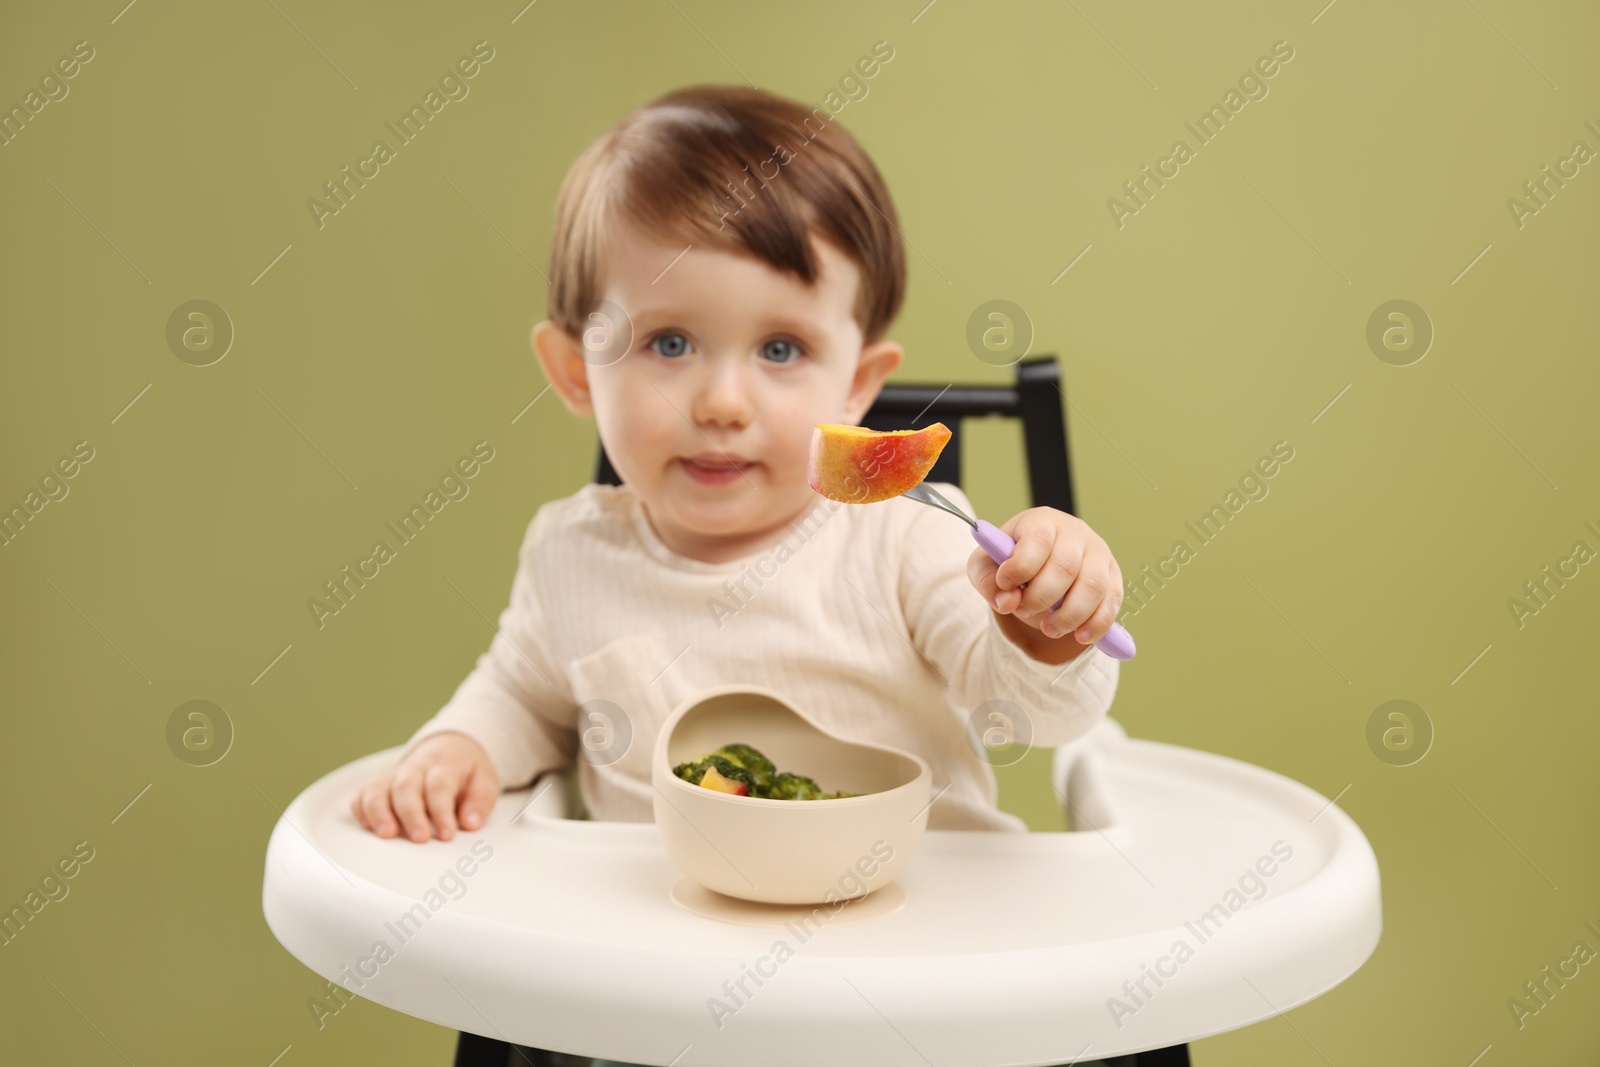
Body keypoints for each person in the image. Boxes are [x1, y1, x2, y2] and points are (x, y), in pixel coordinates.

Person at [351, 83, 1127, 1067]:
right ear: (575, 369)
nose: (722, 399)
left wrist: (1040, 630)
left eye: (781, 348)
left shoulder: (902, 538)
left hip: (923, 993)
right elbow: (520, 693)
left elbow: (1042, 713)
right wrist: (459, 745)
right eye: (668, 342)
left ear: (858, 382)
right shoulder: (569, 554)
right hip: (667, 1001)